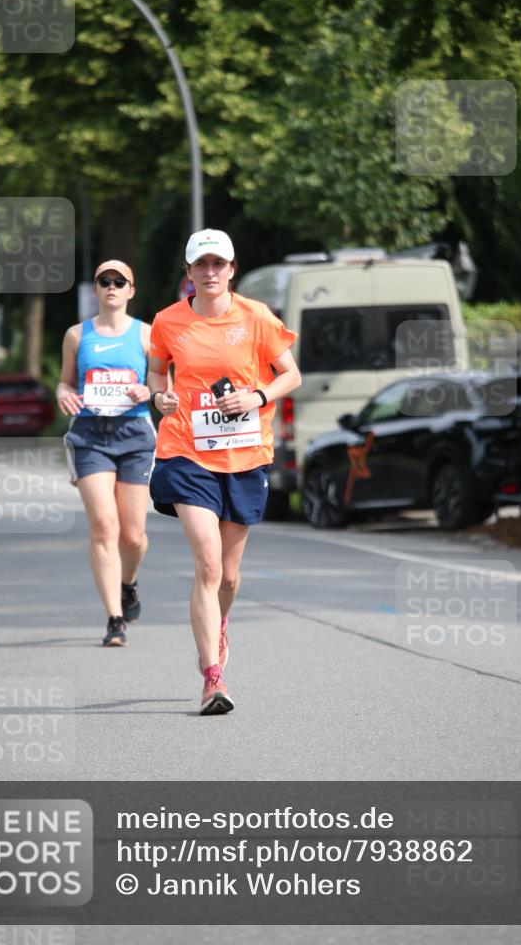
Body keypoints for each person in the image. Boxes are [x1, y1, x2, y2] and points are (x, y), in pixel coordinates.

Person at [147, 229, 302, 715]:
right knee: (208, 564)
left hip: (245, 455)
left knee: (229, 576)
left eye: (219, 264)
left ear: (231, 269)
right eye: (202, 265)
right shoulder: (168, 321)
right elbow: (156, 373)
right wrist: (159, 396)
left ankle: (218, 624)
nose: (210, 272)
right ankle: (212, 677)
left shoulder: (255, 316)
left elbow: (291, 375)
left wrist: (256, 397)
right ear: (189, 273)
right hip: (186, 452)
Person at [56, 260, 156, 648]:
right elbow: (64, 382)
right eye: (104, 281)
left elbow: (161, 384)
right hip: (90, 435)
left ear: (131, 290)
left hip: (134, 434)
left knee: (133, 537)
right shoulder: (77, 336)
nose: (111, 286)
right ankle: (115, 618)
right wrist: (64, 394)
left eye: (120, 281)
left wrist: (147, 392)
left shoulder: (147, 335)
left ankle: (128, 584)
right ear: (96, 289)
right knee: (104, 528)